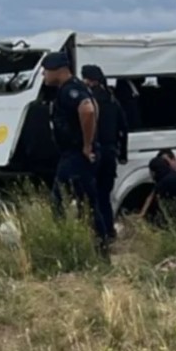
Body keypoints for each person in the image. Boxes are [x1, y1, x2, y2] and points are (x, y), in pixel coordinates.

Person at [42, 52, 109, 251]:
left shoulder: (70, 90)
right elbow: (94, 105)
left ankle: (68, 246)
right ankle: (98, 246)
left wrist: (86, 145)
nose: (43, 75)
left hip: (75, 157)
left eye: (46, 70)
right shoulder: (77, 87)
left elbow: (88, 109)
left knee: (62, 201)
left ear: (57, 70)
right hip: (74, 156)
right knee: (84, 202)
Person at [81, 64, 128, 242]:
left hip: (95, 152)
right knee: (104, 196)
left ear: (89, 80)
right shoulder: (112, 100)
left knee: (91, 196)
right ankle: (108, 232)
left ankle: (97, 233)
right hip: (110, 154)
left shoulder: (89, 101)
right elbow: (124, 128)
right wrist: (123, 153)